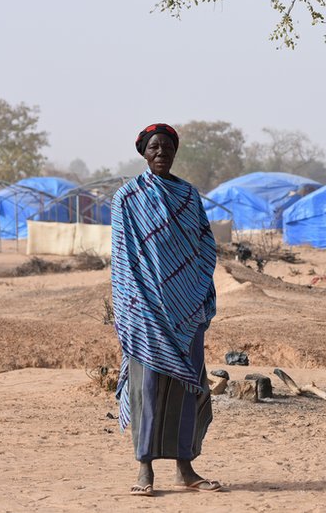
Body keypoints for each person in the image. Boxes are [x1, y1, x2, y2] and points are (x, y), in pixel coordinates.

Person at [111, 123, 222, 497]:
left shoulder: (189, 197)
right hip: (144, 312)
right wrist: (134, 305)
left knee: (185, 388)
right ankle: (144, 470)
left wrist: (197, 296)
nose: (161, 153)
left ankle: (185, 468)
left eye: (167, 147)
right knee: (147, 390)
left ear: (175, 152)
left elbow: (205, 248)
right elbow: (123, 260)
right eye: (154, 147)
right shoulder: (126, 199)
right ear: (143, 152)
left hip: (185, 313)